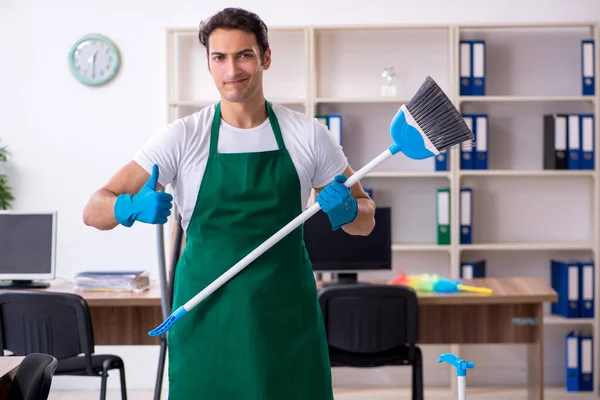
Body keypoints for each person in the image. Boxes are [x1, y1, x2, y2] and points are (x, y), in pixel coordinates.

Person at [82, 7, 375, 400]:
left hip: (284, 315)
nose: (231, 69)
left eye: (244, 55)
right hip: (206, 314)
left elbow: (365, 220)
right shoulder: (183, 137)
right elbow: (93, 208)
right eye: (219, 57)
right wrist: (128, 208)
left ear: (265, 58)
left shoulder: (307, 135)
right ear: (208, 63)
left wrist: (348, 210)